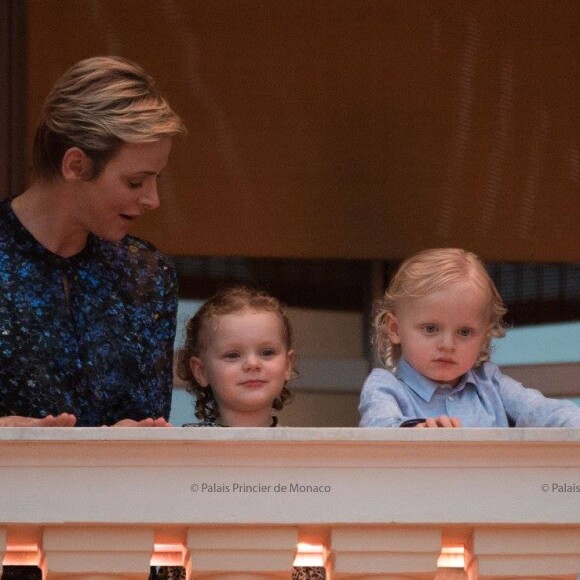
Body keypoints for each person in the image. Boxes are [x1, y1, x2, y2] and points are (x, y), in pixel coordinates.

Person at [0, 55, 185, 428]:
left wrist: (133, 438)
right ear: (75, 165)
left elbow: (150, 423)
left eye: (155, 180)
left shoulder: (146, 274)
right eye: (135, 182)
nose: (152, 200)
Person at [151, 286, 326, 580]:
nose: (252, 364)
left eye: (267, 352)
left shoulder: (306, 452)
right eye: (233, 355)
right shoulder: (181, 452)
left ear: (288, 365)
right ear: (201, 371)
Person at [359, 248, 580, 428]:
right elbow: (379, 427)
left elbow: (542, 411)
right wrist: (416, 431)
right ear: (395, 329)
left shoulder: (492, 385)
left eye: (464, 332)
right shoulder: (385, 386)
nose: (447, 345)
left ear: (484, 336)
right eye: (431, 328)